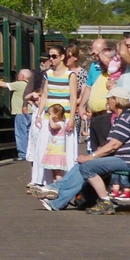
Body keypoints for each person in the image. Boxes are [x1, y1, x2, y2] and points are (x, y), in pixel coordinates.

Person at [34, 85, 130, 214]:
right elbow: (110, 144)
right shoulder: (122, 118)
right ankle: (56, 201)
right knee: (83, 164)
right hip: (124, 158)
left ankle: (105, 202)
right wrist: (91, 156)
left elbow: (113, 145)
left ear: (116, 100)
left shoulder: (126, 118)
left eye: (109, 99)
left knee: (87, 166)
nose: (107, 102)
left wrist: (92, 156)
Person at [29, 44, 78, 189]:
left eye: (54, 56)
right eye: (49, 56)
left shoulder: (71, 75)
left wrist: (72, 119)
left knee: (65, 151)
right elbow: (44, 95)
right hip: (48, 117)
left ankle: (65, 183)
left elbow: (73, 98)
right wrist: (39, 114)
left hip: (65, 117)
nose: (51, 59)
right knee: (46, 149)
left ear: (62, 57)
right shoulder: (48, 74)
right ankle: (47, 183)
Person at [79, 39, 114, 151]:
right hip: (94, 116)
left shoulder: (113, 65)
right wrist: (81, 106)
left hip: (106, 115)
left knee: (105, 148)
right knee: (94, 149)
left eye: (96, 53)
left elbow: (110, 66)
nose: (95, 56)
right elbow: (89, 88)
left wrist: (101, 55)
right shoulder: (94, 66)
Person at [0, 69, 31, 161]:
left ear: (23, 77)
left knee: (21, 134)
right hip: (31, 112)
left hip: (20, 112)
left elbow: (4, 85)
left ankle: (23, 154)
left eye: (19, 75)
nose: (17, 76)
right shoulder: (30, 85)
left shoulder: (19, 84)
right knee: (29, 134)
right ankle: (30, 153)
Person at [65, 42, 88, 138]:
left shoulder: (82, 73)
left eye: (69, 56)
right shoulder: (59, 71)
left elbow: (83, 95)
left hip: (74, 109)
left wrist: (73, 104)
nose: (66, 59)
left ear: (75, 57)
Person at [41, 104, 69, 180]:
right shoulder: (56, 123)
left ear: (56, 114)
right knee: (54, 172)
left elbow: (53, 126)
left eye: (50, 114)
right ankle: (55, 187)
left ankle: (59, 186)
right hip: (52, 150)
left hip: (57, 151)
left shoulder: (61, 124)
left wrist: (50, 119)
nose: (49, 115)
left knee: (57, 172)